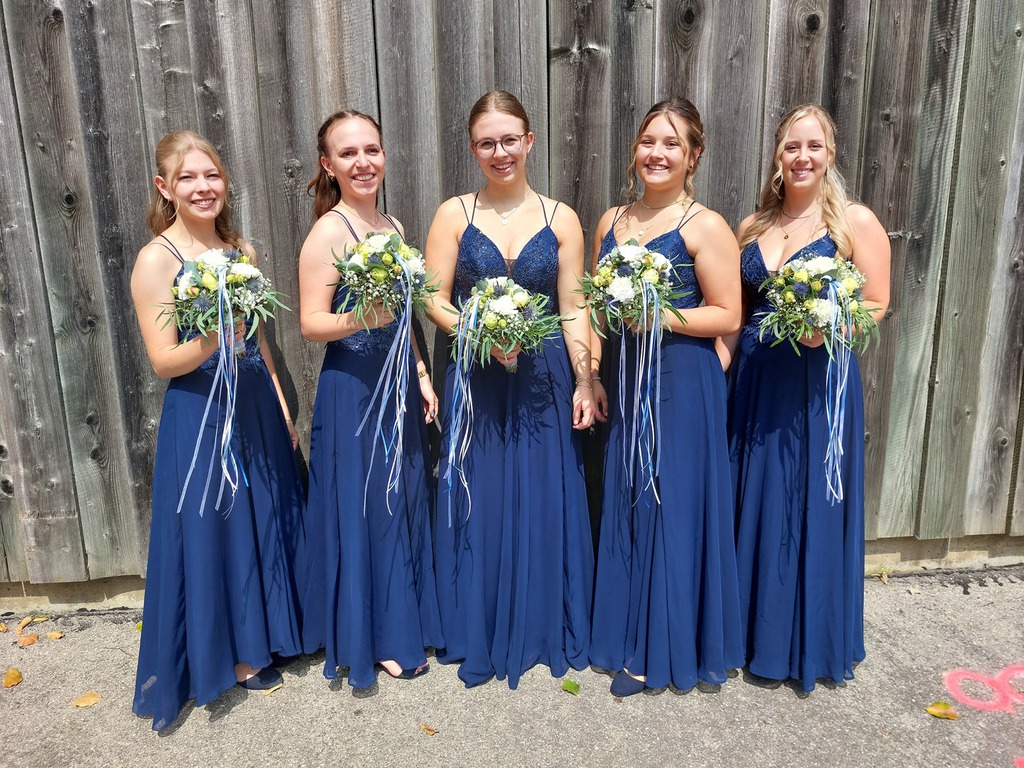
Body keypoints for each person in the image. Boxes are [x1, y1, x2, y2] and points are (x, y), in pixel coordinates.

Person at [131, 131, 308, 730]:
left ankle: (272, 634)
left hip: (255, 400)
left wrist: (280, 402)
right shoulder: (157, 260)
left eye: (211, 175)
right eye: (188, 178)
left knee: (263, 515)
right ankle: (232, 654)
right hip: (201, 409)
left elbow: (259, 337)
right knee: (219, 526)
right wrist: (214, 334)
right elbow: (163, 360)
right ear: (165, 188)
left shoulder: (240, 250)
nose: (203, 187)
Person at [424, 90, 595, 688]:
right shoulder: (453, 214)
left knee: (543, 491)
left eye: (509, 140)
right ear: (474, 149)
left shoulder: (561, 218)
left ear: (529, 141)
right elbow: (432, 298)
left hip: (543, 376)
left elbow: (573, 306)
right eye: (486, 143)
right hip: (476, 371)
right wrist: (479, 330)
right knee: (482, 490)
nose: (500, 152)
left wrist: (586, 378)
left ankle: (542, 619)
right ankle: (477, 619)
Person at [722, 104, 890, 691]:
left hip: (817, 381)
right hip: (755, 382)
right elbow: (737, 311)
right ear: (777, 155)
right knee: (755, 497)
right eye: (792, 146)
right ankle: (747, 634)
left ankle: (803, 641)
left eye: (813, 146)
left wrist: (830, 324)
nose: (802, 157)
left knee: (806, 501)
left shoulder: (854, 223)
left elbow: (876, 303)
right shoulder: (752, 226)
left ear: (830, 154)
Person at [587, 98, 745, 696]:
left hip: (682, 380)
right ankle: (625, 631)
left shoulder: (705, 226)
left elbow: (728, 313)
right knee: (630, 495)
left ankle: (662, 648)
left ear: (693, 155)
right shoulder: (611, 221)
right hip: (627, 380)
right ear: (635, 149)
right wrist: (593, 373)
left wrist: (661, 314)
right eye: (649, 141)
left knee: (671, 503)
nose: (657, 153)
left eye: (672, 144)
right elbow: (596, 310)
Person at [298, 110, 442, 694]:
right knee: (368, 506)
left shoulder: (393, 225)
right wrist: (365, 318)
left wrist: (421, 372)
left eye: (372, 150)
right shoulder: (329, 232)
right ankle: (377, 638)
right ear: (328, 165)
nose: (363, 162)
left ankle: (403, 619)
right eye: (348, 153)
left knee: (398, 499)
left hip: (398, 383)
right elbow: (311, 324)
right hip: (353, 389)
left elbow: (404, 316)